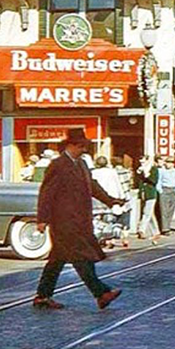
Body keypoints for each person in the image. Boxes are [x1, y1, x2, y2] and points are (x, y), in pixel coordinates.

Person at [32, 129, 127, 310]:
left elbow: (92, 186)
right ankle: (101, 293)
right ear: (70, 145)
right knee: (81, 257)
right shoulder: (58, 164)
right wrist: (42, 219)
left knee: (57, 260)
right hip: (63, 221)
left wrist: (110, 200)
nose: (83, 149)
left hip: (80, 219)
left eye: (84, 146)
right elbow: (46, 193)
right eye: (80, 146)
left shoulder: (82, 163)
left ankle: (42, 296)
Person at [91, 156, 129, 249]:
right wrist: (122, 197)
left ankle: (100, 238)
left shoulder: (93, 173)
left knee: (97, 220)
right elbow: (117, 183)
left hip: (96, 200)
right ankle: (110, 239)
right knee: (109, 219)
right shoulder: (112, 172)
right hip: (110, 199)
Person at [134, 157, 161, 242]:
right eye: (140, 162)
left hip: (151, 194)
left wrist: (146, 174)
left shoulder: (154, 169)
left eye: (143, 162)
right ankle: (156, 231)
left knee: (146, 213)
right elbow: (137, 183)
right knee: (149, 213)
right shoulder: (141, 170)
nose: (142, 164)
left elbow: (154, 181)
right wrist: (138, 173)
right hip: (143, 194)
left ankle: (142, 230)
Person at [155, 160, 175, 235]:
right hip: (165, 190)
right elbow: (159, 181)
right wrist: (160, 191)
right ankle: (165, 229)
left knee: (171, 210)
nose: (169, 164)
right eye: (168, 162)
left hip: (173, 191)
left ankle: (168, 226)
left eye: (171, 163)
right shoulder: (161, 171)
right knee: (164, 210)